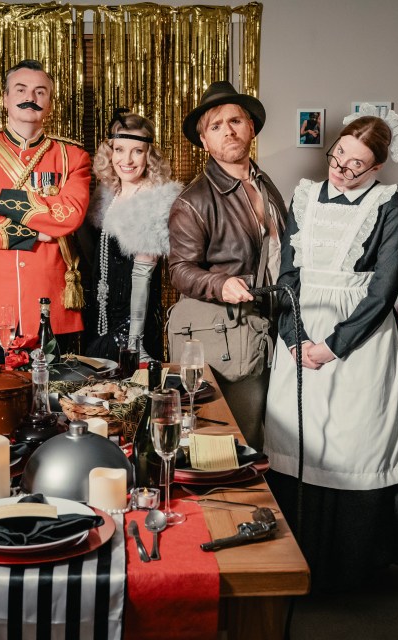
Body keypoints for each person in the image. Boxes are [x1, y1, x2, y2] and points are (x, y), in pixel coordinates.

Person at [264, 107, 398, 593]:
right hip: (299, 336)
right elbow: (287, 277)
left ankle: (347, 569)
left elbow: (383, 290)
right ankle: (293, 560)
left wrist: (332, 347)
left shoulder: (390, 206)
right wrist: (293, 337)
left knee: (351, 446)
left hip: (358, 342)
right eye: (338, 154)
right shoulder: (304, 197)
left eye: (355, 164)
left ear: (377, 169)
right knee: (297, 444)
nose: (341, 168)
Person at [0, 59, 90, 364]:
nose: (31, 97)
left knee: (50, 404)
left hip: (48, 301)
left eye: (41, 92)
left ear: (49, 103)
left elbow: (70, 215)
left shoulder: (72, 156)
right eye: (21, 89)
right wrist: (37, 231)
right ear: (5, 98)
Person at [168, 81, 286, 449]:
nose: (228, 131)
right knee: (235, 438)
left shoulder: (266, 185)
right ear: (204, 142)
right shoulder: (192, 201)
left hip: (276, 329)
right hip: (230, 335)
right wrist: (219, 284)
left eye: (235, 121)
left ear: (251, 127)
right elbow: (179, 270)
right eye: (216, 127)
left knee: (273, 437)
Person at [83, 110, 181, 362]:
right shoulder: (107, 197)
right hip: (99, 319)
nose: (126, 159)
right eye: (119, 150)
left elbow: (142, 280)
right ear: (110, 151)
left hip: (131, 328)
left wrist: (134, 343)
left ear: (149, 156)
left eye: (137, 151)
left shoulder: (153, 202)